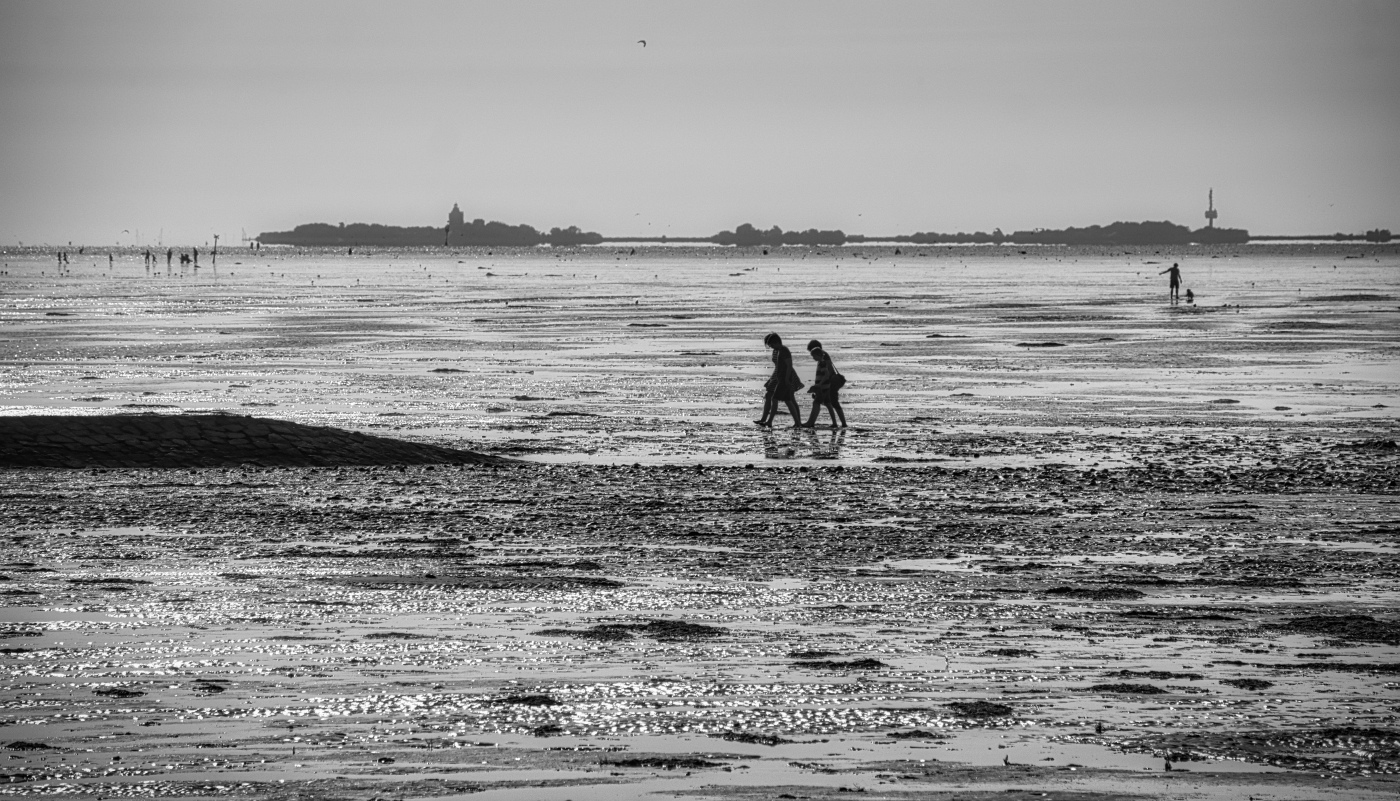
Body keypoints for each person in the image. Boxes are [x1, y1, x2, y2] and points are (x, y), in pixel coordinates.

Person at [755, 333, 803, 428]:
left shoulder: (783, 350)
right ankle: (766, 420)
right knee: (772, 396)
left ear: (776, 342)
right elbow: (778, 365)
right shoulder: (776, 350)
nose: (770, 347)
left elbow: (789, 366)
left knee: (788, 399)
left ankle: (797, 422)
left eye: (771, 344)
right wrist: (772, 379)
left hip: (785, 377)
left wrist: (786, 379)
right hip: (778, 375)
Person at [802, 339, 847, 428]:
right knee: (829, 404)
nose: (812, 357)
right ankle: (836, 423)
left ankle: (810, 423)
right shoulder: (823, 356)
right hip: (827, 384)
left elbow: (828, 371)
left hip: (828, 384)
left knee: (829, 403)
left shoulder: (824, 357)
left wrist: (821, 384)